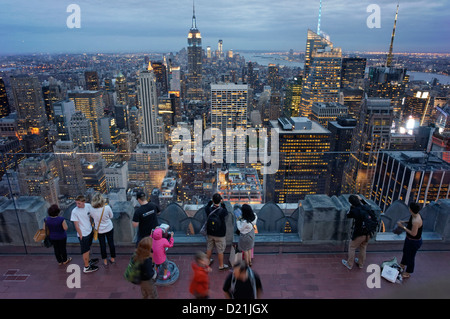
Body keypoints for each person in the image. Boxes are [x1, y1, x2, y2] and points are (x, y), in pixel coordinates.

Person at [70, 195, 98, 273]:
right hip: (83, 234)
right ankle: (86, 267)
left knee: (88, 248)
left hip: (89, 231)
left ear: (84, 202)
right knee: (85, 250)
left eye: (79, 203)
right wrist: (81, 235)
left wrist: (91, 225)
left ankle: (88, 261)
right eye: (76, 203)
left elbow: (90, 216)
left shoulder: (88, 206)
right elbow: (76, 225)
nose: (77, 205)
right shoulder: (74, 211)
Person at [342, 194, 370, 270]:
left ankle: (349, 264)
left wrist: (352, 206)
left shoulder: (355, 210)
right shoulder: (366, 207)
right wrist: (361, 200)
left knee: (352, 247)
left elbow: (348, 215)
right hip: (368, 232)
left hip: (359, 233)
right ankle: (361, 264)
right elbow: (368, 205)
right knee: (363, 247)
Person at [397, 202, 423, 278]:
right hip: (409, 240)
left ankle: (408, 272)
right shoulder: (415, 215)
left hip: (414, 242)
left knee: (410, 257)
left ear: (410, 210)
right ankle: (402, 264)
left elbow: (413, 233)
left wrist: (403, 227)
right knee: (405, 252)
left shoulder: (416, 221)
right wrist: (404, 222)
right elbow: (411, 222)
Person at [90, 192, 116, 268]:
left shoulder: (92, 210)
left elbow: (92, 218)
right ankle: (113, 258)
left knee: (102, 245)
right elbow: (111, 216)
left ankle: (105, 261)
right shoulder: (107, 207)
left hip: (100, 230)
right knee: (111, 243)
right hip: (109, 228)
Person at [205, 193, 229, 271]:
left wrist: (210, 202)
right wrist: (223, 204)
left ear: (213, 200)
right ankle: (221, 266)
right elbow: (226, 211)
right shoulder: (223, 211)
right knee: (220, 251)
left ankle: (207, 262)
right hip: (220, 234)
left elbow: (207, 207)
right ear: (220, 201)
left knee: (209, 248)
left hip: (210, 233)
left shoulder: (209, 210)